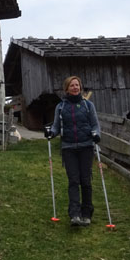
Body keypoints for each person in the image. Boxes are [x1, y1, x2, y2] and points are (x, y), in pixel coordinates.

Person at [45, 75, 101, 227]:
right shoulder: (61, 107)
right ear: (67, 89)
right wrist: (51, 132)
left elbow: (95, 125)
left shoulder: (88, 105)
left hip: (86, 147)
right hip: (68, 148)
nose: (75, 87)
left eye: (77, 85)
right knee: (73, 181)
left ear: (80, 87)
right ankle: (74, 214)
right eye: (72, 85)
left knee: (86, 181)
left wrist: (96, 134)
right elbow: (56, 126)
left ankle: (87, 213)